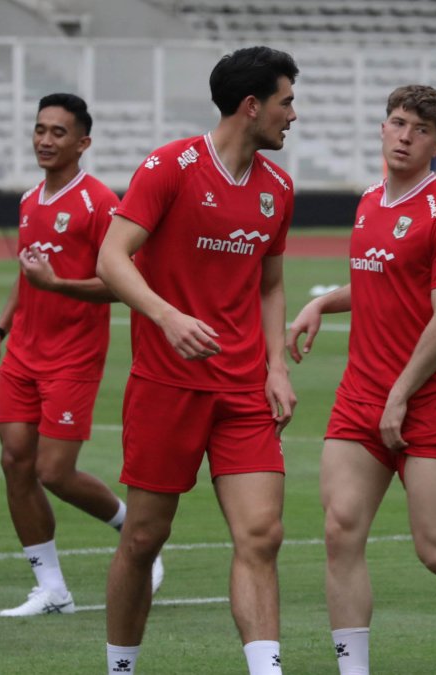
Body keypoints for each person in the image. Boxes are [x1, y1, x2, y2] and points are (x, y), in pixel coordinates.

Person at [287, 84, 436, 675]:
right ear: (382, 127)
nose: (404, 136)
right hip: (360, 398)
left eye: (420, 131)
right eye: (397, 123)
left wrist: (399, 397)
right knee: (341, 532)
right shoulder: (370, 201)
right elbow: (378, 284)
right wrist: (321, 305)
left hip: (429, 404)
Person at [96, 46, 298, 675]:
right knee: (143, 537)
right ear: (251, 105)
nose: (294, 115)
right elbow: (111, 257)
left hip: (242, 391)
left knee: (261, 535)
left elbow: (270, 285)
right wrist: (167, 316)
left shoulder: (279, 188)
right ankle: (121, 667)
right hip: (166, 385)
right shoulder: (169, 167)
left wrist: (276, 367)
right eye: (286, 101)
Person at [0, 93, 163, 617]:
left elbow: (123, 283)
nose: (45, 140)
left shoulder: (100, 203)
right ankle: (51, 587)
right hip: (23, 355)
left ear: (83, 143)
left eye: (58, 132)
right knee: (15, 462)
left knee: (55, 471)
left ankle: (137, 532)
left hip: (72, 357)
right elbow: (25, 275)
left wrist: (57, 285)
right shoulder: (31, 200)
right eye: (40, 130)